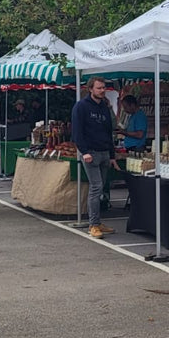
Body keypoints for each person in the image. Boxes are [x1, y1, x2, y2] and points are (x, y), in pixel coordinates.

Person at [71, 77, 119, 239]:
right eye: (99, 88)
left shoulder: (104, 107)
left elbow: (108, 132)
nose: (102, 90)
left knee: (102, 187)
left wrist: (112, 155)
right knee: (96, 187)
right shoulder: (81, 107)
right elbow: (77, 132)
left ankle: (98, 222)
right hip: (91, 152)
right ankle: (92, 224)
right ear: (90, 89)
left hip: (105, 152)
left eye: (104, 87)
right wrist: (84, 152)